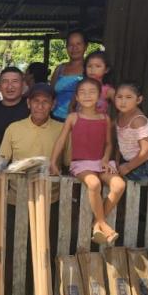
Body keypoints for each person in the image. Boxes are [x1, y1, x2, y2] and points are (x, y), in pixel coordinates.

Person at [49, 78, 126, 245]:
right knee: (94, 184)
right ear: (76, 97)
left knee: (119, 185)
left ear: (99, 96)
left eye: (92, 92)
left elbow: (108, 144)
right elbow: (61, 140)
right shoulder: (73, 117)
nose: (87, 95)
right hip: (81, 163)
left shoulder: (105, 118)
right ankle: (102, 223)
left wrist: (106, 159)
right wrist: (53, 162)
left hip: (101, 162)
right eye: (82, 92)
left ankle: (97, 224)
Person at [0, 83, 67, 163]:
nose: (40, 106)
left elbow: (69, 163)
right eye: (36, 101)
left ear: (53, 105)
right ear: (28, 103)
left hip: (50, 175)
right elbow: (1, 162)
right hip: (20, 175)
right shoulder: (13, 128)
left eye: (45, 101)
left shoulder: (63, 129)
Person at [114, 82, 148, 181]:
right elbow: (121, 141)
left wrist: (127, 167)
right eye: (119, 97)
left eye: (128, 97)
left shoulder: (138, 121)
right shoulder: (120, 116)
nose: (123, 101)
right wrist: (117, 162)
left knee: (113, 179)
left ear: (139, 100)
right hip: (133, 162)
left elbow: (146, 151)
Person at [49, 29, 88, 121]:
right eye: (71, 45)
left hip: (80, 121)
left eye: (78, 44)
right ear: (66, 47)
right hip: (56, 119)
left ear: (86, 46)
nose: (74, 48)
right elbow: (50, 94)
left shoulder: (90, 70)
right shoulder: (59, 69)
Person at [83, 50, 114, 115]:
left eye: (98, 66)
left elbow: (122, 107)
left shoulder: (108, 91)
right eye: (89, 66)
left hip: (99, 124)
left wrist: (113, 123)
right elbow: (72, 106)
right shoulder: (81, 86)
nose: (92, 69)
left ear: (106, 69)